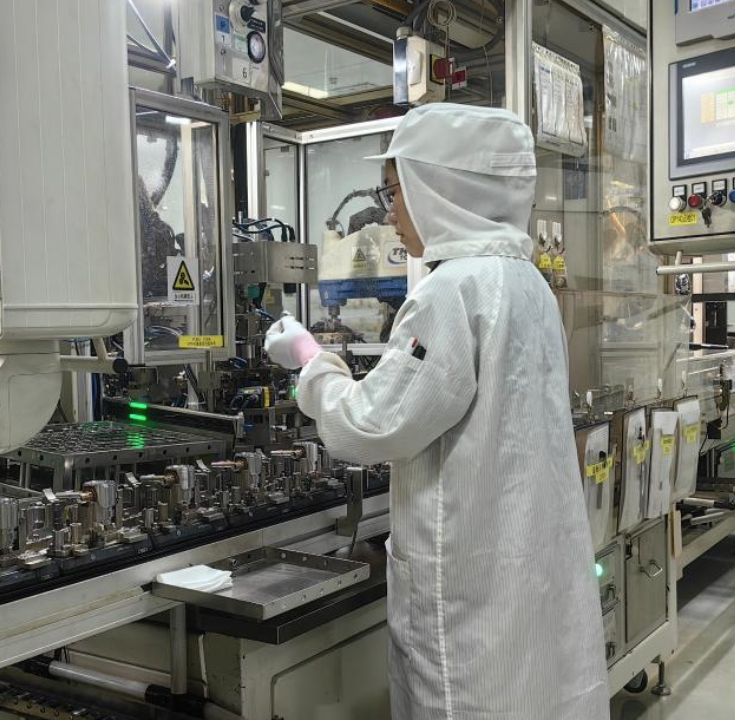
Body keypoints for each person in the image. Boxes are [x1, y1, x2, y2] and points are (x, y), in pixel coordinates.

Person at [265, 104, 609, 720]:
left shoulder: (451, 291)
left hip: (470, 585)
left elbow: (370, 426)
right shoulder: (525, 282)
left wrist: (311, 360)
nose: (389, 212)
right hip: (521, 565)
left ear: (444, 188)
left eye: (395, 192)